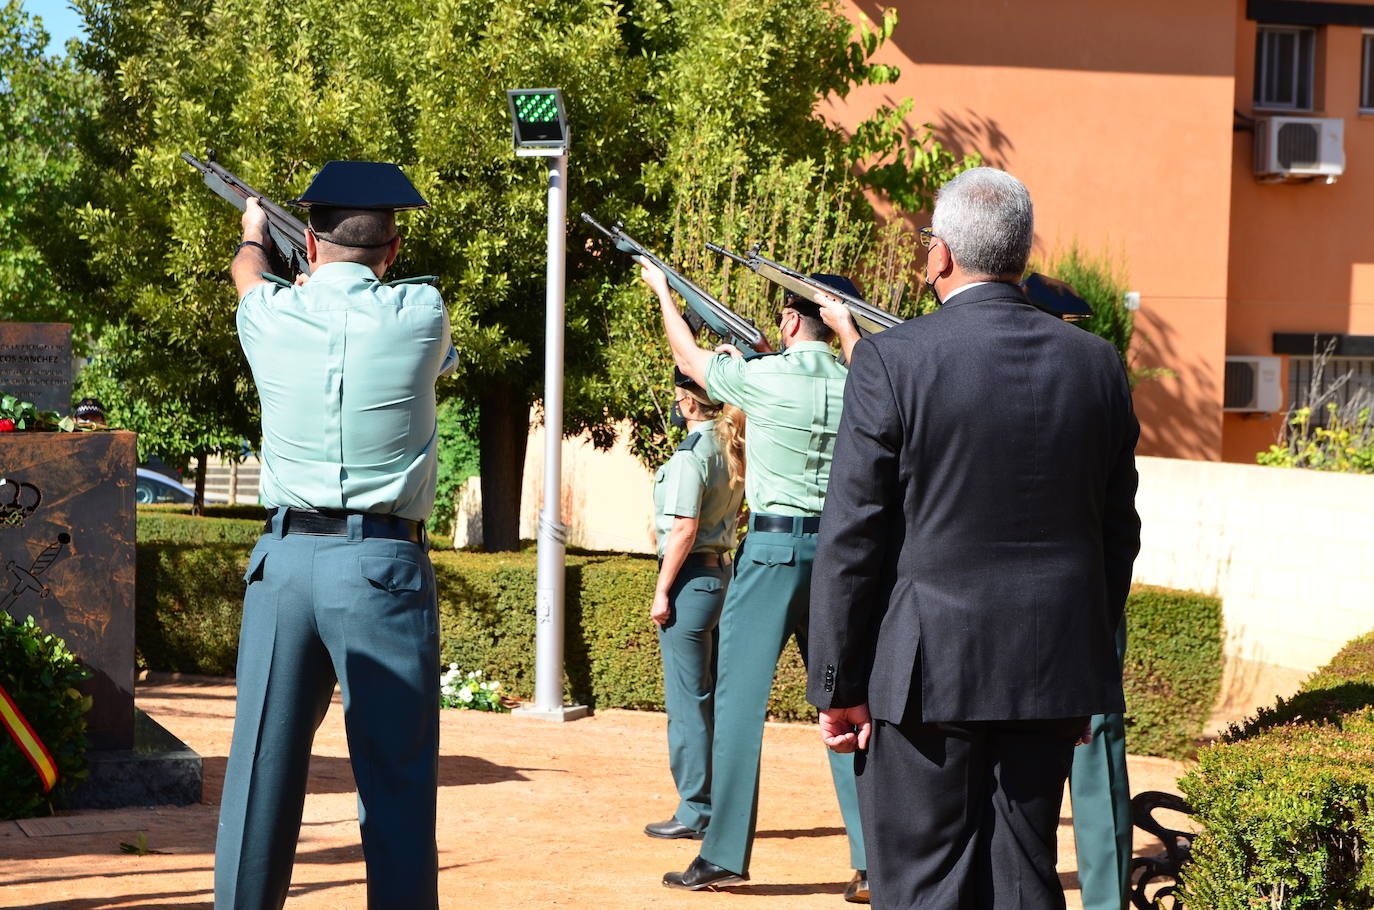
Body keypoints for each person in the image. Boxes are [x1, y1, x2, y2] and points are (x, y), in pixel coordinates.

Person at [808, 166, 1140, 910]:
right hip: (1049, 669)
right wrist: (1085, 665)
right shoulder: (1097, 366)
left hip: (925, 672)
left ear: (940, 254)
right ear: (1021, 254)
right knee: (1025, 879)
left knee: (923, 885)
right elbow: (1117, 533)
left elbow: (853, 537)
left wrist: (839, 684)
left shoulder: (892, 360)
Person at [214, 160, 457, 910]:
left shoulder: (273, 314)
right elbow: (429, 354)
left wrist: (257, 229)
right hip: (382, 565)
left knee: (259, 774)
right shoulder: (420, 309)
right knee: (396, 786)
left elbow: (246, 270)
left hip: (284, 561)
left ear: (309, 244)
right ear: (392, 248)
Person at [642, 264, 871, 904]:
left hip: (773, 551)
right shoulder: (863, 378)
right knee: (845, 706)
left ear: (791, 320)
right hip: (841, 557)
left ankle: (723, 853)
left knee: (739, 707)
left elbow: (686, 357)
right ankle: (872, 859)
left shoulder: (767, 379)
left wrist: (665, 293)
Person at [644, 371, 746, 841]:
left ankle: (694, 810)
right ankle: (716, 805)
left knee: (688, 703)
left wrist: (662, 590)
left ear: (687, 404)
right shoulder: (731, 447)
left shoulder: (692, 455)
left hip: (689, 580)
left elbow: (682, 529)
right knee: (713, 700)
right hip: (720, 574)